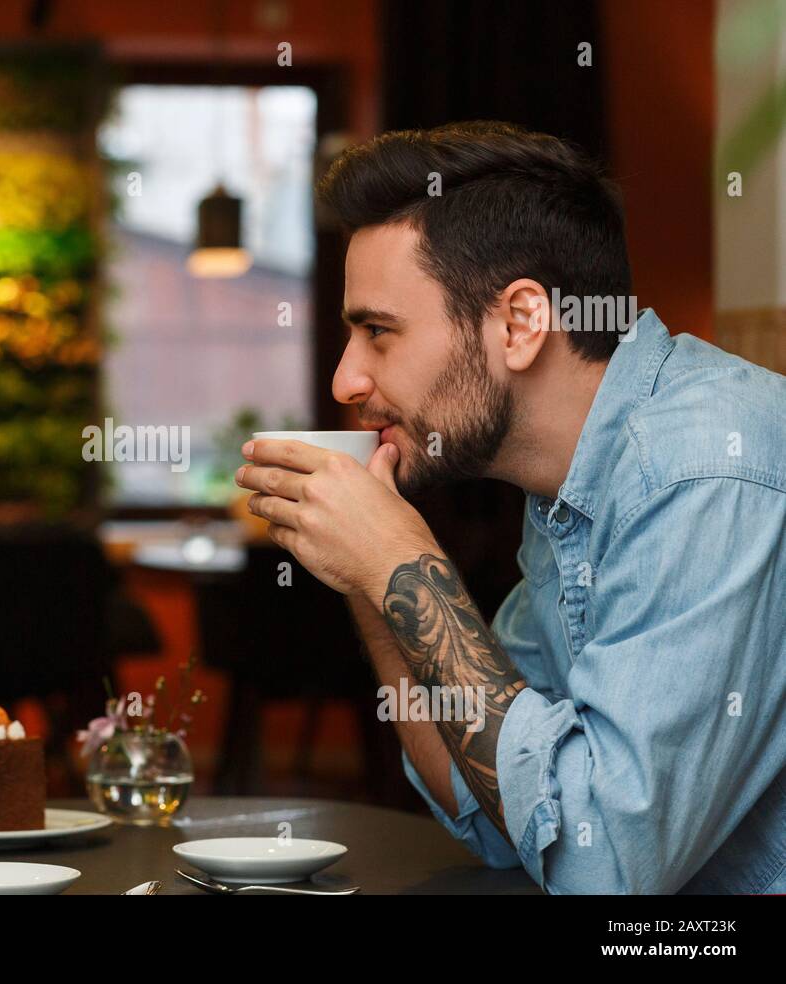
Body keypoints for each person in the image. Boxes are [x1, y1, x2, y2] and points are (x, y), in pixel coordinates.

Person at [237, 121, 786, 893]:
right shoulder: (568, 483)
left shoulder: (700, 470)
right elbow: (497, 809)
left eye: (378, 332)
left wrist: (400, 560)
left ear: (522, 322)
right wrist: (367, 573)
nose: (345, 381)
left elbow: (601, 867)